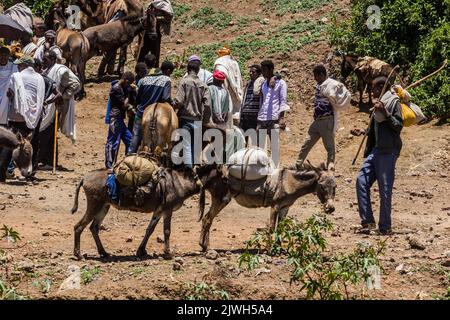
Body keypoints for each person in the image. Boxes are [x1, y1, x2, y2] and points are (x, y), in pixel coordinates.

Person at [356, 76, 403, 235]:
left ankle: (385, 227)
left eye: (375, 88)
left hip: (388, 151)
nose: (372, 91)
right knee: (361, 180)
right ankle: (368, 222)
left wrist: (386, 112)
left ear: (382, 87)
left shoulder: (393, 102)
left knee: (385, 189)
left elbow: (398, 126)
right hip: (375, 151)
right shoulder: (377, 105)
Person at [0, 55, 45, 182]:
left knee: (10, 145)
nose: (18, 67)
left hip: (17, 116)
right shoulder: (39, 78)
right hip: (34, 118)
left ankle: (2, 173)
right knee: (32, 145)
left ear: (24, 65)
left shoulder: (17, 76)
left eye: (20, 65)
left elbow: (10, 93)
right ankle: (30, 173)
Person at [128, 60, 174, 154]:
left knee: (136, 138)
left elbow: (138, 98)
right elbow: (166, 98)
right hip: (156, 115)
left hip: (141, 113)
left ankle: (129, 157)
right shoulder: (166, 80)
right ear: (168, 71)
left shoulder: (144, 79)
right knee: (157, 141)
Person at [173, 60, 212, 169]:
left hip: (185, 119)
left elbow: (179, 101)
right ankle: (195, 170)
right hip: (197, 120)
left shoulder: (184, 82)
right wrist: (205, 121)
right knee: (195, 147)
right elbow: (208, 105)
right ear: (198, 71)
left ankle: (188, 170)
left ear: (187, 69)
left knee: (186, 145)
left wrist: (173, 107)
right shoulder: (203, 85)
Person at [296, 65, 336, 170]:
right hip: (317, 121)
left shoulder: (329, 86)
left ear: (322, 75)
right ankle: (298, 164)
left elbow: (335, 99)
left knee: (330, 147)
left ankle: (330, 167)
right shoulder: (319, 85)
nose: (315, 78)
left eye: (316, 76)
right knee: (307, 143)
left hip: (326, 120)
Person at [42, 51, 80, 146]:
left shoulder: (61, 70)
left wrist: (63, 97)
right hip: (49, 105)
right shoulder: (47, 69)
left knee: (50, 131)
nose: (43, 62)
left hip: (57, 105)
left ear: (53, 60)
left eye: (45, 60)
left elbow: (76, 84)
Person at [105, 71, 135, 169]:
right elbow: (125, 104)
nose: (129, 84)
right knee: (113, 143)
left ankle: (127, 162)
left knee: (130, 140)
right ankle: (109, 165)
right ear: (126, 80)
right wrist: (129, 94)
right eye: (129, 82)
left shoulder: (122, 88)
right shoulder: (116, 89)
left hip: (120, 120)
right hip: (115, 118)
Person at [257, 60, 288, 149]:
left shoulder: (281, 83)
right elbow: (263, 101)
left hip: (273, 118)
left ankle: (275, 163)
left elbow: (283, 101)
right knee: (259, 146)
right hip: (262, 118)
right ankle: (262, 163)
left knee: (274, 146)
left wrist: (281, 118)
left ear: (271, 69)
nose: (263, 72)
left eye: (265, 70)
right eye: (262, 70)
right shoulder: (264, 84)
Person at [213, 46, 243, 117]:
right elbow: (239, 80)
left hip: (225, 91)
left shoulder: (219, 63)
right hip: (236, 92)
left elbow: (220, 82)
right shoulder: (234, 63)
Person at [239, 64, 264, 133]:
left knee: (254, 138)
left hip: (254, 116)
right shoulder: (248, 83)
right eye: (250, 72)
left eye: (253, 72)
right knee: (243, 137)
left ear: (259, 73)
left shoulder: (262, 83)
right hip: (245, 115)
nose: (251, 73)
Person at [0, 47, 18, 127]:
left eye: (5, 55)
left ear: (8, 56)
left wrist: (13, 92)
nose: (3, 57)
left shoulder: (14, 67)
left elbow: (17, 82)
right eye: (1, 55)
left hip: (7, 97)